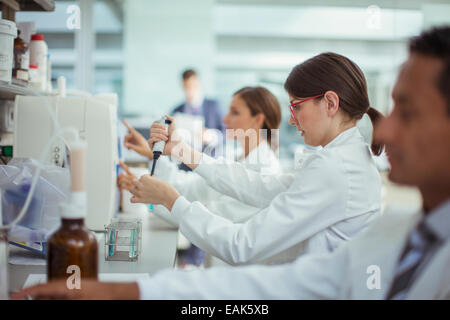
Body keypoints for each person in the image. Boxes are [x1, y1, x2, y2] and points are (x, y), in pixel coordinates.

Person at [14, 25, 448, 300]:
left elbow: (242, 242)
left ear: (330, 103)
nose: (292, 117)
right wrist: (182, 156)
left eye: (297, 106)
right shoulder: (333, 164)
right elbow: (260, 189)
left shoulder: (339, 169)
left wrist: (171, 198)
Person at [120, 86, 282, 266]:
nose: (225, 119)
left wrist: (163, 198)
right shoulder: (239, 158)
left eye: (234, 112)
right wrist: (154, 156)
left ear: (258, 119)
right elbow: (192, 188)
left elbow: (210, 216)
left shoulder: (266, 170)